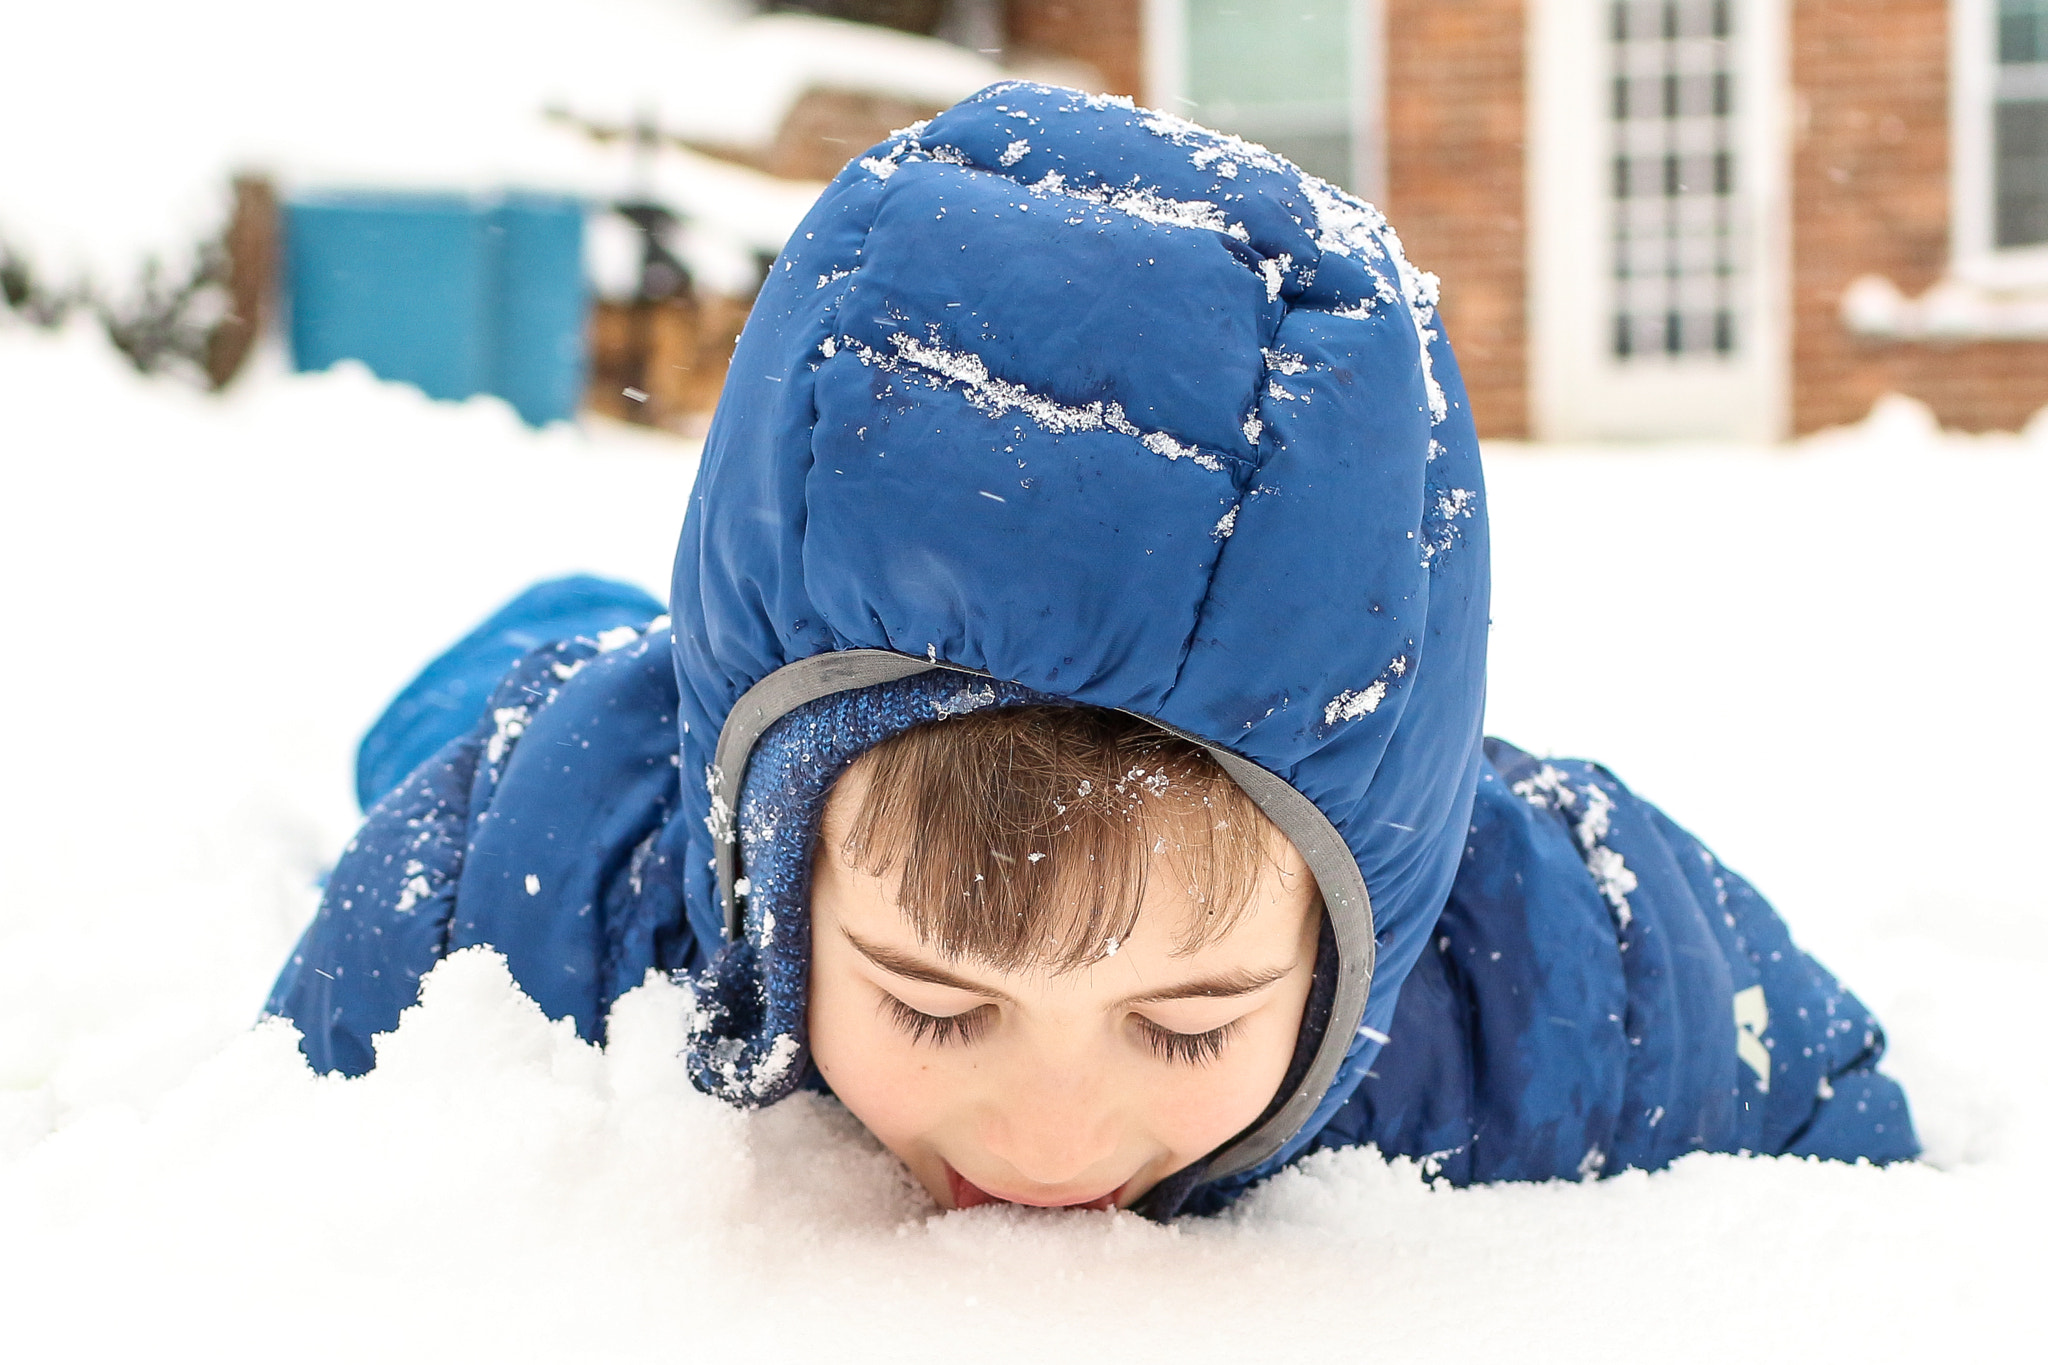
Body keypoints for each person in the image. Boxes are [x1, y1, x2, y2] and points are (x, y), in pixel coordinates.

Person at [267, 83, 1916, 1218]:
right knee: (520, 681)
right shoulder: (577, 860)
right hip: (627, 708)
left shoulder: (1538, 966)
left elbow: (1829, 1116)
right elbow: (287, 1117)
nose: (1053, 1138)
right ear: (777, 879)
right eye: (933, 1001)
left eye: (1187, 1028)